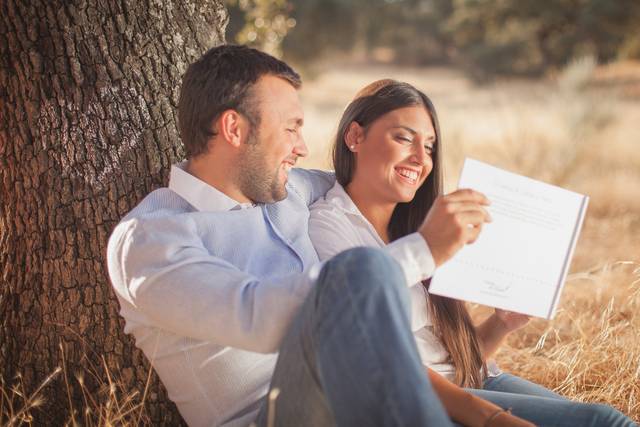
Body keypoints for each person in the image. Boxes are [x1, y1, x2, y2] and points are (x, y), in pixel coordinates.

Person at [106, 45, 535, 427]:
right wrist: (423, 250)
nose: (302, 146)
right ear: (234, 130)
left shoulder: (289, 188)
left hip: (353, 391)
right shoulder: (150, 240)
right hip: (273, 415)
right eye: (291, 128)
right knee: (351, 274)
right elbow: (262, 321)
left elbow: (366, 178)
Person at [308, 79, 638, 427]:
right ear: (355, 137)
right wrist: (490, 417)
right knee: (602, 421)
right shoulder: (330, 227)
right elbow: (377, 357)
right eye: (404, 138)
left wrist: (502, 324)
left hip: (477, 380)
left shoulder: (425, 224)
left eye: (430, 146)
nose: (421, 159)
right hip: (424, 396)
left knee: (608, 421)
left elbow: (459, 363)